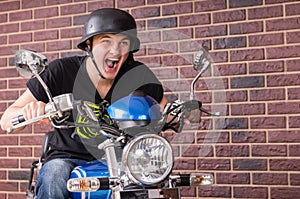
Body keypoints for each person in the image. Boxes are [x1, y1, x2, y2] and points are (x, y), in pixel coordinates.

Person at [0, 8, 168, 198]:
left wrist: (181, 113)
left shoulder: (138, 75)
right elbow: (6, 120)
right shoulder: (62, 71)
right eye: (106, 41)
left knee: (150, 182)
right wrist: (30, 113)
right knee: (53, 177)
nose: (115, 50)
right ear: (89, 44)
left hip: (122, 157)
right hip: (67, 157)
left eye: (124, 43)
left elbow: (163, 108)